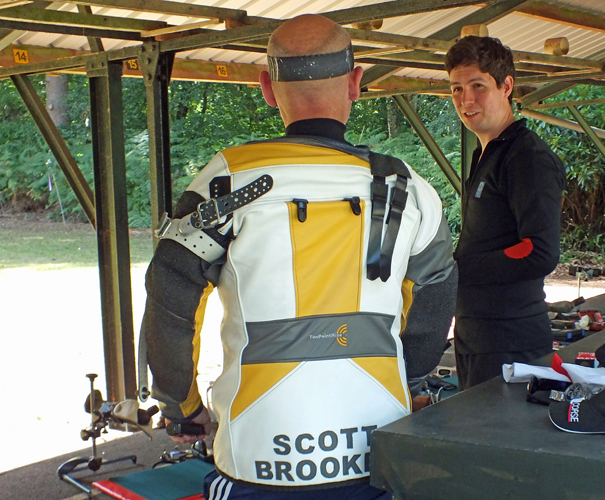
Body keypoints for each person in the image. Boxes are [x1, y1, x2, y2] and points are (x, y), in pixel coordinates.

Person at [141, 14, 457, 500]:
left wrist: (181, 406)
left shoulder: (226, 178)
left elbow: (170, 293)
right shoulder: (408, 187)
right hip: (379, 454)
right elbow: (435, 299)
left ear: (268, 87)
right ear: (356, 83)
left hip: (256, 456)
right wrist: (409, 378)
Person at [445, 36, 566, 390]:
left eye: (477, 86)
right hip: (476, 334)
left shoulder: (526, 157)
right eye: (456, 88)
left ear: (506, 86)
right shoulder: (486, 153)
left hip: (511, 340)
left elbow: (539, 251)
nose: (466, 99)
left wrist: (454, 269)